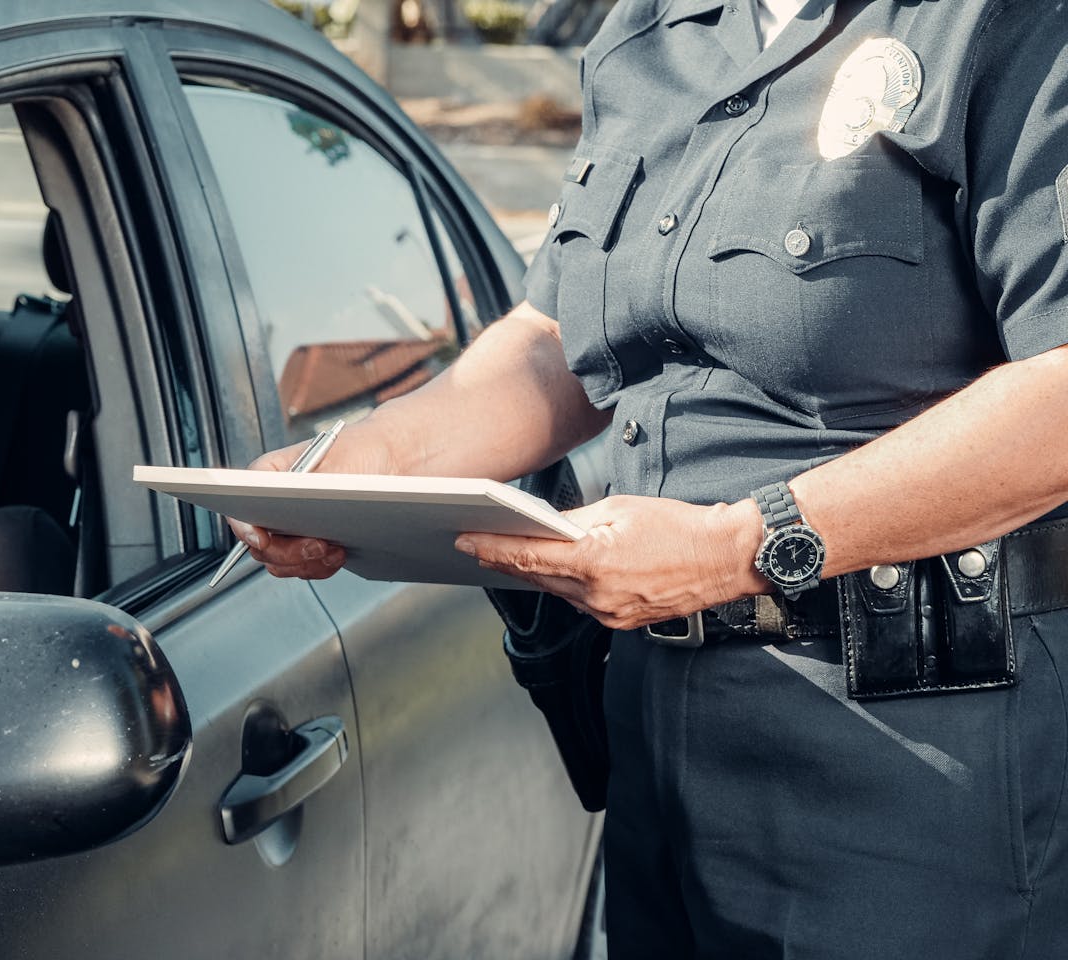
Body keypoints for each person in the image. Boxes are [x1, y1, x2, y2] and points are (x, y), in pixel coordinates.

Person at [230, 0, 1068, 955]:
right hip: (658, 732)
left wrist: (739, 545)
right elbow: (565, 342)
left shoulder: (1003, 25)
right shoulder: (651, 34)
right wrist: (359, 462)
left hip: (916, 764)